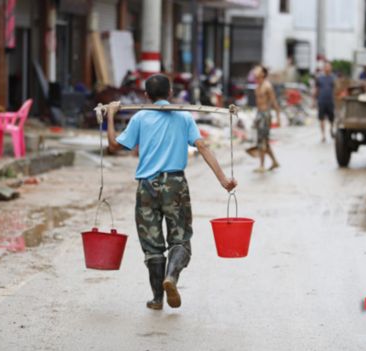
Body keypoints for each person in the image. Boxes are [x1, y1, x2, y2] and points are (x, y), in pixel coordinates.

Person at [105, 74, 237, 310]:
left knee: (152, 245)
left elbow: (114, 146)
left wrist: (111, 116)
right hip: (175, 184)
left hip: (146, 186)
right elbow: (202, 146)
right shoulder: (184, 117)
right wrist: (223, 179)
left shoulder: (140, 117)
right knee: (180, 238)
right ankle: (171, 277)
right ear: (171, 94)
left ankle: (157, 299)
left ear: (146, 96)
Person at [253, 65, 281, 173]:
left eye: (258, 70)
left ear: (263, 74)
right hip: (259, 114)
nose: (256, 71)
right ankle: (274, 162)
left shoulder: (267, 86)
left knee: (262, 141)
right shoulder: (257, 87)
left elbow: (274, 102)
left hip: (265, 114)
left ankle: (262, 165)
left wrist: (278, 118)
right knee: (263, 140)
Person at [315, 62, 336, 142]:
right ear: (324, 68)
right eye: (326, 67)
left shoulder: (333, 78)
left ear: (331, 68)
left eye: (329, 67)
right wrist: (314, 101)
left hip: (330, 101)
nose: (327, 68)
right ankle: (323, 135)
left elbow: (336, 90)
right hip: (321, 101)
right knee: (321, 119)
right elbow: (316, 90)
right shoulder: (319, 78)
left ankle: (331, 129)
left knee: (332, 119)